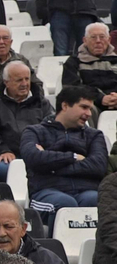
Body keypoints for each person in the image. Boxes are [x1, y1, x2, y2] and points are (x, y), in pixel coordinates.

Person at [21, 84, 107, 221]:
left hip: (87, 191)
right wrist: (73, 157)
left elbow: (98, 167)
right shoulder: (34, 131)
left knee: (97, 201)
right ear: (65, 106)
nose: (89, 114)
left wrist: (51, 166)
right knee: (65, 204)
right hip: (46, 191)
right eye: (84, 107)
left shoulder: (95, 135)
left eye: (90, 109)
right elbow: (34, 158)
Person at [62, 21, 117, 110]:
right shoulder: (74, 62)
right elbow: (71, 89)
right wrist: (100, 98)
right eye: (93, 37)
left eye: (102, 37)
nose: (98, 41)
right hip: (91, 104)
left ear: (109, 40)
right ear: (85, 41)